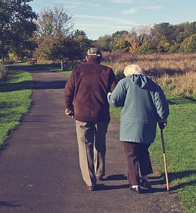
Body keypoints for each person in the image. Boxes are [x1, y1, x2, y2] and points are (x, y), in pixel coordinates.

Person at [107, 64, 169, 194]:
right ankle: (145, 178)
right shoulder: (153, 85)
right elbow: (161, 106)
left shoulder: (124, 83)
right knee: (143, 151)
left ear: (128, 74)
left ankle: (135, 183)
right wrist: (162, 119)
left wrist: (108, 95)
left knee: (131, 154)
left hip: (129, 126)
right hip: (148, 126)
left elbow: (114, 101)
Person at [64, 47, 117, 191]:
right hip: (101, 114)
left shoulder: (77, 70)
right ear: (100, 58)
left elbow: (68, 90)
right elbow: (114, 92)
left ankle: (90, 180)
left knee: (85, 146)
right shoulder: (107, 71)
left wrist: (69, 107)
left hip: (81, 113)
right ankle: (100, 172)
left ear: (87, 57)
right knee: (100, 142)